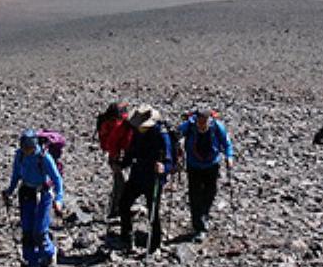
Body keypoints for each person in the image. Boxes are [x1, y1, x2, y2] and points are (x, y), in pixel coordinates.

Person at [2, 129, 65, 267]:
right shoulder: (20, 156)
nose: (27, 151)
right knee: (27, 230)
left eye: (29, 148)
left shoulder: (44, 157)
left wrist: (59, 199)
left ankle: (49, 252)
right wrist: (9, 191)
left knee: (40, 231)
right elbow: (16, 175)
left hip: (42, 194)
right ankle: (32, 261)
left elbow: (57, 179)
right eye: (25, 148)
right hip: (26, 193)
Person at [115, 105, 173, 254]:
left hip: (154, 178)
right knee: (124, 203)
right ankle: (126, 236)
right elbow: (131, 151)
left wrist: (164, 168)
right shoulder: (136, 132)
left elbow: (169, 159)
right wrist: (122, 164)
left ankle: (154, 244)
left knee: (153, 212)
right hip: (138, 174)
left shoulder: (161, 134)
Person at [177, 107, 234, 236]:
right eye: (200, 120)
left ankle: (204, 214)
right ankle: (199, 226)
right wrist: (177, 149)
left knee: (210, 192)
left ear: (209, 119)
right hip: (194, 165)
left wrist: (229, 157)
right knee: (194, 195)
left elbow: (227, 143)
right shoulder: (189, 126)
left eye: (204, 121)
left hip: (212, 164)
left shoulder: (217, 126)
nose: (202, 123)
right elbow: (176, 135)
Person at [95, 101, 135, 233]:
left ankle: (117, 209)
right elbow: (113, 143)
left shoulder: (116, 123)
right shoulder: (120, 125)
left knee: (120, 183)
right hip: (118, 157)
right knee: (121, 183)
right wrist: (116, 160)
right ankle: (116, 211)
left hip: (120, 156)